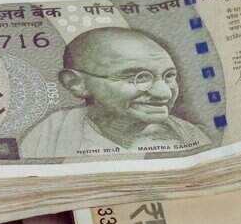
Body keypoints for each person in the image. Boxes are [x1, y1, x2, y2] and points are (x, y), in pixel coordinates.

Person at [20, 27, 209, 156]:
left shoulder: (189, 136)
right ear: (76, 83)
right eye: (137, 77)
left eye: (169, 76)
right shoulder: (48, 136)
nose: (164, 93)